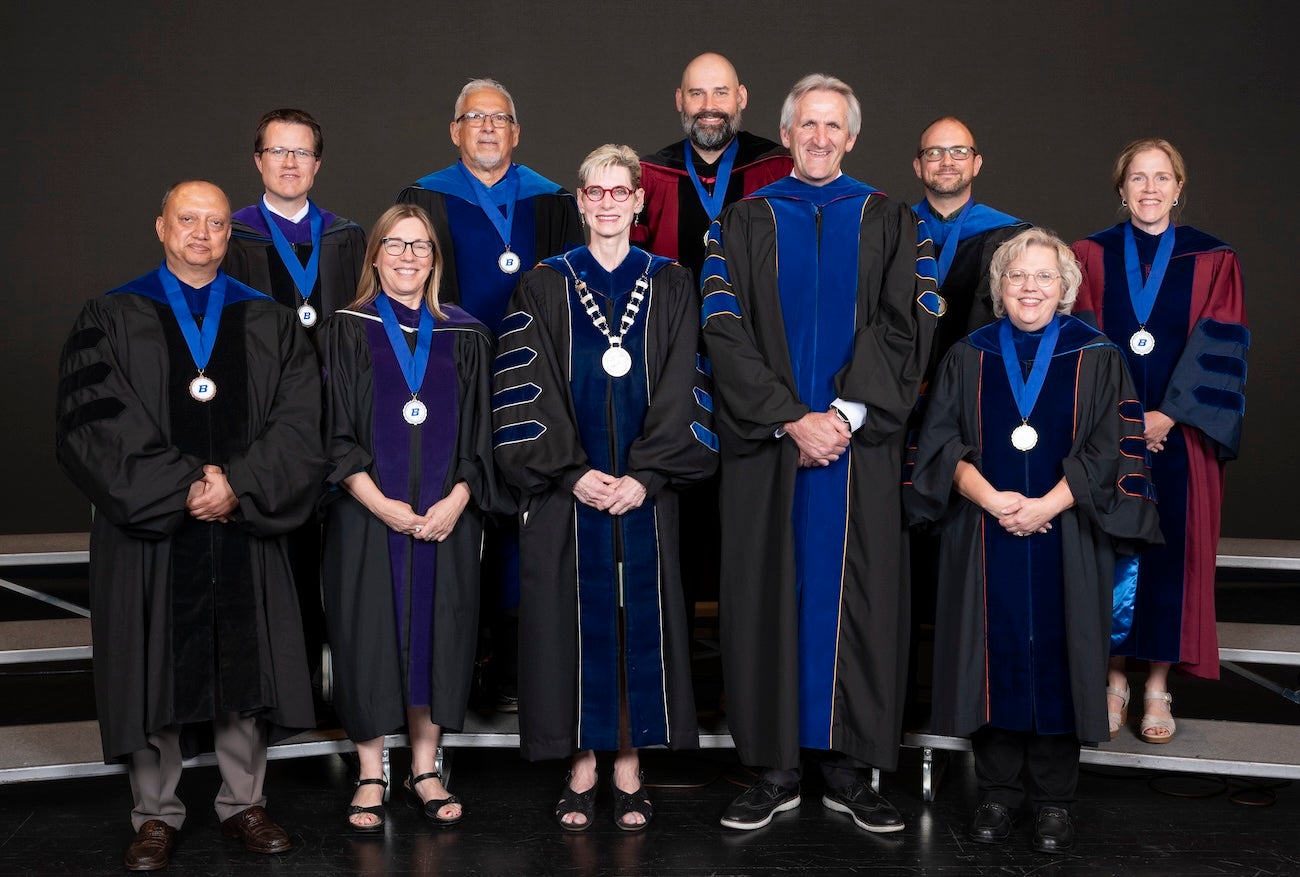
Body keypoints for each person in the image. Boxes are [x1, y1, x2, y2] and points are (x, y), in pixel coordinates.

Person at [54, 181, 325, 871]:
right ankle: (154, 814)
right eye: (187, 220)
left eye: (214, 223)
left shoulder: (267, 319)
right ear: (161, 227)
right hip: (154, 532)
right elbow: (95, 426)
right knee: (151, 662)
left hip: (241, 520)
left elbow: (299, 423)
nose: (201, 233)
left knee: (247, 658)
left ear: (228, 236)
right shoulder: (111, 315)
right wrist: (183, 487)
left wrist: (238, 483)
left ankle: (244, 802)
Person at [702, 74, 942, 832]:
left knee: (858, 600)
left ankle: (849, 768)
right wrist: (786, 420)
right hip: (768, 450)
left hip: (856, 446)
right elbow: (721, 330)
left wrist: (839, 413)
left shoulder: (891, 218)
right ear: (786, 132)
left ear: (852, 137)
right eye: (806, 124)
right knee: (765, 593)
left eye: (832, 125)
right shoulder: (741, 221)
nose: (819, 137)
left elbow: (910, 320)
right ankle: (771, 769)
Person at [907, 228, 1163, 852]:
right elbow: (937, 445)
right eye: (1017, 275)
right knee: (987, 656)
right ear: (999, 286)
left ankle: (1054, 802)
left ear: (1066, 287)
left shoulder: (1096, 354)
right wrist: (995, 502)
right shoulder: (968, 354)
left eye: (1044, 276)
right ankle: (995, 794)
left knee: (1062, 652)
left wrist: (1045, 504)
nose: (1030, 286)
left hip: (1066, 531)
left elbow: (1111, 449)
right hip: (983, 531)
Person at [492, 144, 717, 832]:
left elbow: (686, 381)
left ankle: (629, 764)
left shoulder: (672, 282)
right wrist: (572, 471)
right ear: (581, 201)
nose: (610, 203)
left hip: (645, 494)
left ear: (639, 203)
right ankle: (582, 763)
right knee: (573, 622)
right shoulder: (544, 283)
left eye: (623, 192)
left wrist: (646, 475)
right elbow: (527, 387)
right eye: (597, 192)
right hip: (571, 491)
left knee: (634, 619)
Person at [397, 78, 584, 710]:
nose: (485, 127)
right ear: (454, 131)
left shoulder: (554, 202)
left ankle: (513, 667)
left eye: (499, 118)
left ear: (516, 132)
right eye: (473, 117)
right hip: (449, 378)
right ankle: (455, 666)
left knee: (523, 518)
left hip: (533, 384)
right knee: (457, 507)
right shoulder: (425, 199)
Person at [316, 204, 503, 832]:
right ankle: (372, 768)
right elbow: (332, 431)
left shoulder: (466, 333)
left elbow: (484, 432)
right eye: (395, 245)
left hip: (448, 518)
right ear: (374, 255)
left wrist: (456, 500)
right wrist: (381, 505)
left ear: (435, 259)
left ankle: (425, 765)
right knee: (366, 633)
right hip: (367, 515)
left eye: (420, 247)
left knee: (439, 633)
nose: (407, 256)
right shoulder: (347, 328)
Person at [1071, 138, 1248, 744]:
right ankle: (1113, 679)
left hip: (1182, 438)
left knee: (1174, 553)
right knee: (1110, 550)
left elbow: (1219, 343)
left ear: (1179, 187)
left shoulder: (1213, 259)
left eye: (1162, 177)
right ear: (1121, 190)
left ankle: (1156, 687)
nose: (1150, 189)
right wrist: (1121, 421)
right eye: (1138, 179)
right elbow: (1081, 345)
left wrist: (1170, 416)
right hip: (1110, 436)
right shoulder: (1089, 255)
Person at [633, 51, 793, 672]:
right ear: (679, 100)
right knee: (682, 518)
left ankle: (751, 666)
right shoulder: (648, 174)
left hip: (759, 371)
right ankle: (677, 672)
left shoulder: (779, 166)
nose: (708, 106)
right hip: (675, 371)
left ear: (743, 96)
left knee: (751, 520)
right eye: (696, 94)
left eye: (720, 93)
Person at [223, 108, 367, 696]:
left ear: (317, 164)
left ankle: (350, 683)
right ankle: (286, 686)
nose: (289, 163)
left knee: (345, 554)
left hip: (341, 416)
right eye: (278, 152)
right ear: (258, 161)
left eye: (301, 153)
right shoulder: (232, 235)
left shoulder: (348, 237)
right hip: (269, 427)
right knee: (281, 556)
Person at [905, 116, 1031, 727]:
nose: (946, 162)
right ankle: (892, 711)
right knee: (897, 570)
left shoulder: (1011, 240)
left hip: (973, 427)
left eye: (958, 152)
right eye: (934, 153)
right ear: (918, 165)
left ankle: (970, 707)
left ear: (976, 163)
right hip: (896, 424)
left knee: (968, 563)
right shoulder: (889, 229)